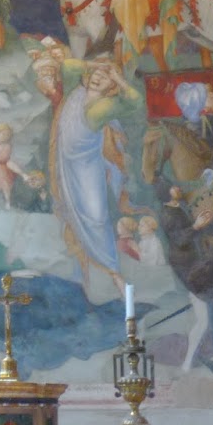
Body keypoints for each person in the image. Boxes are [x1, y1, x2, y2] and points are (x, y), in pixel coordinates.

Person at [46, 55, 142, 298]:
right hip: (66, 167)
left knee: (96, 219)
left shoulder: (102, 108)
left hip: (88, 171)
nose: (99, 77)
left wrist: (118, 78)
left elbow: (135, 101)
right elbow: (67, 65)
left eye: (105, 78)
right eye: (97, 74)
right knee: (70, 216)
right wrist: (96, 65)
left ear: (112, 86)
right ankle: (84, 271)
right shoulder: (76, 92)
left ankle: (113, 272)